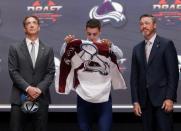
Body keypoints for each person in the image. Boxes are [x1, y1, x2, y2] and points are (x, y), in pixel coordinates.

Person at [57, 19, 126, 131]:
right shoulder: (78, 46)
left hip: (103, 96)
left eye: (95, 34)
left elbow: (119, 54)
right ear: (85, 31)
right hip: (83, 95)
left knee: (105, 129)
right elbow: (63, 55)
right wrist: (66, 43)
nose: (92, 37)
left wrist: (111, 46)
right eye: (89, 34)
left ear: (100, 31)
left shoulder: (105, 45)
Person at [130, 14, 179, 131]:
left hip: (162, 101)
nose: (144, 26)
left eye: (147, 23)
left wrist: (170, 98)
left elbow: (173, 74)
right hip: (144, 103)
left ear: (154, 25)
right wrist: (135, 101)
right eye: (141, 24)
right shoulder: (137, 48)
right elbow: (134, 78)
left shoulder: (166, 44)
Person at [8, 15, 55, 131]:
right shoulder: (14, 48)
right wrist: (28, 88)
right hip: (19, 98)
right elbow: (13, 71)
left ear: (39, 27)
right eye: (28, 23)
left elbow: (50, 72)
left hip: (41, 98)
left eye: (34, 22)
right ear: (24, 28)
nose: (31, 25)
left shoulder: (48, 49)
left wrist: (38, 89)